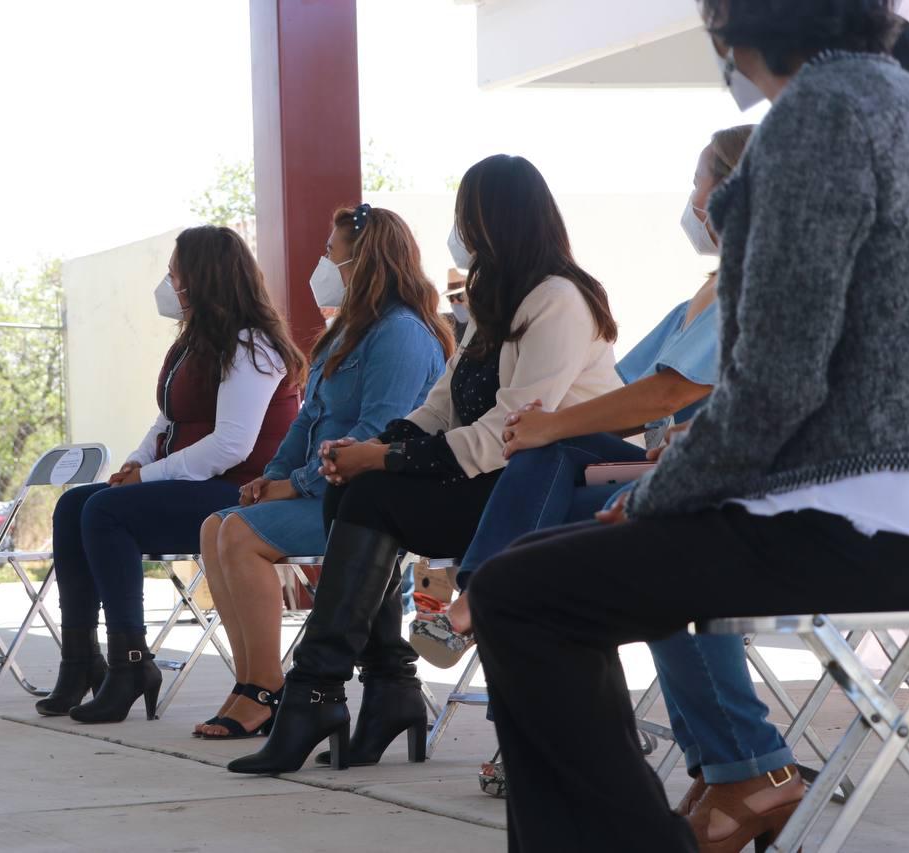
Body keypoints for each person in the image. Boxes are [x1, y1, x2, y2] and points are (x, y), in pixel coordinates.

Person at [469, 2, 909, 850]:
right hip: (865, 505)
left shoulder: (817, 119)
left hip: (849, 513)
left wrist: (653, 496)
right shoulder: (888, 98)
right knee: (529, 573)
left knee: (516, 595)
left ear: (737, 29)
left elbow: (773, 387)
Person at [418, 127, 801, 810]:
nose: (692, 201)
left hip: (765, 493)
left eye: (699, 183)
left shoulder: (766, 279)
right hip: (686, 474)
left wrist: (552, 423)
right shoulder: (706, 294)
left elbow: (666, 393)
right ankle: (722, 767)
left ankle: (746, 765)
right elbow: (624, 395)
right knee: (550, 548)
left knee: (597, 517)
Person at [228, 154, 623, 775]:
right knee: (359, 490)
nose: (459, 234)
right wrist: (368, 452)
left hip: (546, 481)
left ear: (495, 221)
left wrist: (383, 455)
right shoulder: (492, 300)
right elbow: (441, 404)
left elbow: (509, 431)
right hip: (491, 478)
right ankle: (373, 688)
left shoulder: (558, 300)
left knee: (370, 493)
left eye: (465, 218)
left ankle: (330, 695)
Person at [193, 205, 452, 741]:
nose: (323, 262)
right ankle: (250, 683)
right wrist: (273, 476)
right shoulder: (344, 335)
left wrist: (298, 483)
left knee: (239, 534)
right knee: (217, 524)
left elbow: (378, 428)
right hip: (322, 488)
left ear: (363, 260)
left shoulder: (401, 334)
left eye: (330, 251)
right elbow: (308, 417)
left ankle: (266, 687)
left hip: (364, 497)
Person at [36, 225, 305, 725]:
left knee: (106, 512)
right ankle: (80, 662)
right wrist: (137, 464)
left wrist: (151, 478)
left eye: (174, 274)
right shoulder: (194, 343)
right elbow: (167, 419)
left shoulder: (252, 347)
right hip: (195, 484)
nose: (168, 285)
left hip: (241, 492)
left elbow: (232, 445)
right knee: (73, 505)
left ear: (202, 279)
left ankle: (131, 664)